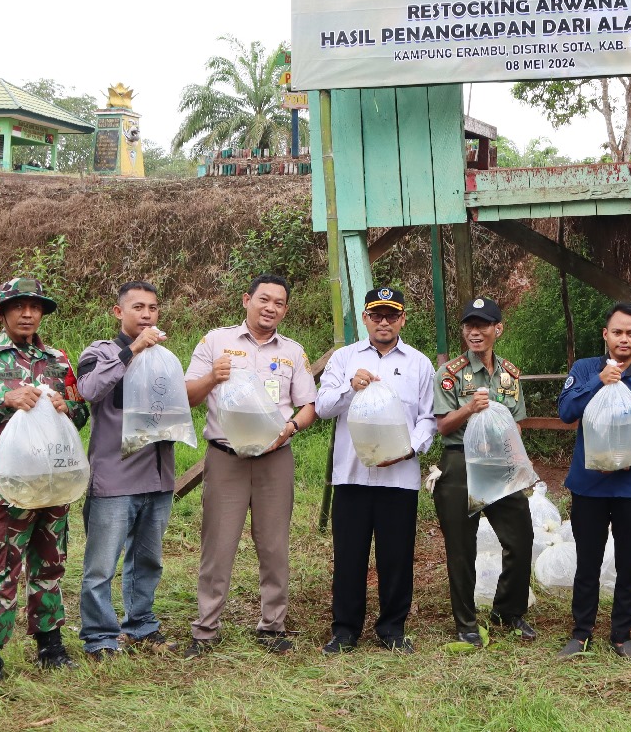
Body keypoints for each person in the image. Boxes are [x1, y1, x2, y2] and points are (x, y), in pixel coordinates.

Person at [0, 278, 90, 683]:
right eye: (18, 307)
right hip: (7, 488)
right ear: (3, 313)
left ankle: (50, 646)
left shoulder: (58, 359)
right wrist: (1, 400)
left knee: (51, 564)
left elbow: (80, 413)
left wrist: (67, 405)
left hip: (54, 482)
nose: (27, 314)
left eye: (35, 307)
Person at [183, 273, 318, 657]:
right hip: (226, 459)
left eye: (278, 303)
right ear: (247, 300)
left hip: (275, 459)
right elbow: (187, 394)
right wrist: (213, 376)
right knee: (218, 544)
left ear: (285, 310)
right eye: (263, 299)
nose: (270, 307)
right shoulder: (215, 341)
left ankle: (272, 625)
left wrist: (291, 427)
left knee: (274, 545)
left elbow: (309, 405)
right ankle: (206, 628)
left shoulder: (292, 351)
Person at [314, 286, 436, 655]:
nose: (384, 322)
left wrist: (409, 450)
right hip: (352, 475)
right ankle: (345, 629)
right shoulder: (344, 359)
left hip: (399, 477)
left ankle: (392, 628)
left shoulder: (419, 363)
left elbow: (429, 418)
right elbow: (322, 407)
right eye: (376, 315)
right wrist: (351, 387)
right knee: (349, 554)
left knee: (396, 556)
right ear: (365, 318)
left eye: (391, 315)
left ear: (402, 319)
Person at [555, 302, 631, 660]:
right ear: (606, 335)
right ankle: (581, 633)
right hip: (588, 487)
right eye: (617, 332)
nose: (624, 339)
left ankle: (622, 634)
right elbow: (566, 413)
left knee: (628, 563)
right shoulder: (584, 369)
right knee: (587, 562)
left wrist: (627, 460)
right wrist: (597, 382)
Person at [76, 281, 180, 661]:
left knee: (147, 559)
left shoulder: (163, 358)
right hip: (114, 478)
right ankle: (100, 637)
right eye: (138, 307)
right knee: (101, 565)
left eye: (153, 307)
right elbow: (88, 390)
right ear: (119, 313)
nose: (147, 314)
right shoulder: (99, 352)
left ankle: (141, 625)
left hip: (157, 476)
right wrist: (133, 350)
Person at [433, 297, 535, 647]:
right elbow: (443, 426)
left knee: (520, 537)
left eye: (482, 326)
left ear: (498, 329)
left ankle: (508, 612)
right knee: (461, 548)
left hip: (500, 464)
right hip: (461, 461)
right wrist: (469, 410)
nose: (475, 332)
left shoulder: (510, 374)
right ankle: (465, 623)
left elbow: (517, 426)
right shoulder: (450, 374)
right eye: (469, 326)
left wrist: (518, 465)